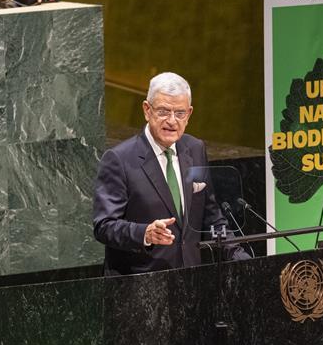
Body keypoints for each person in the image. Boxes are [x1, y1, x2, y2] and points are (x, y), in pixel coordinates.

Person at [93, 72, 250, 275]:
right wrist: (145, 234)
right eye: (163, 111)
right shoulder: (119, 159)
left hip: (190, 283)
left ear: (189, 114)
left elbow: (211, 217)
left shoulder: (194, 149)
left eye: (180, 113)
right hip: (141, 287)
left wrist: (240, 258)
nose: (172, 121)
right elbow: (104, 226)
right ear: (146, 110)